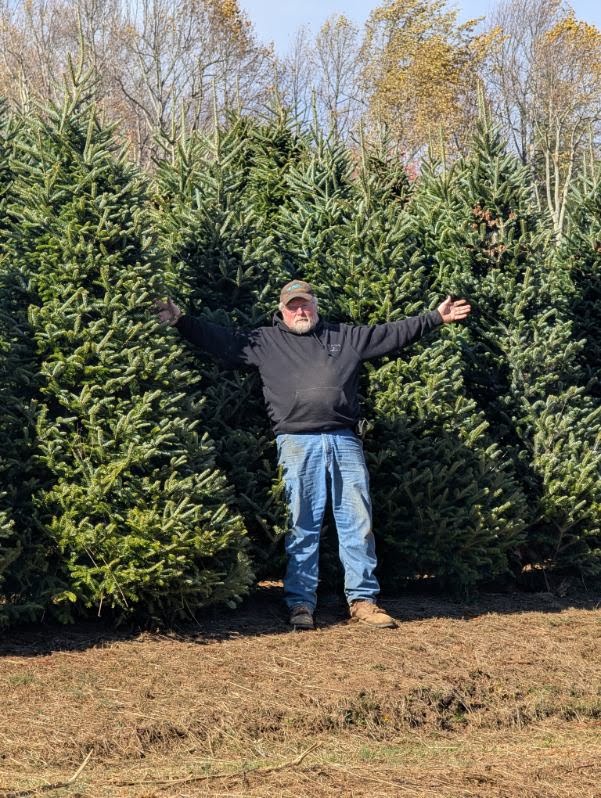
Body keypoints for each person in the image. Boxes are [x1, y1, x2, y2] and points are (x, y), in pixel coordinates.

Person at [156, 280, 471, 630]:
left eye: (305, 304)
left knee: (357, 522)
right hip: (296, 443)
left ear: (315, 306)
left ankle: (364, 601)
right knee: (302, 523)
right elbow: (223, 340)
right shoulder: (265, 342)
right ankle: (301, 603)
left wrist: (435, 318)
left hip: (344, 440)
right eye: (293, 306)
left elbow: (390, 333)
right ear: (282, 311)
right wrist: (181, 321)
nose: (300, 311)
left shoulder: (345, 336)